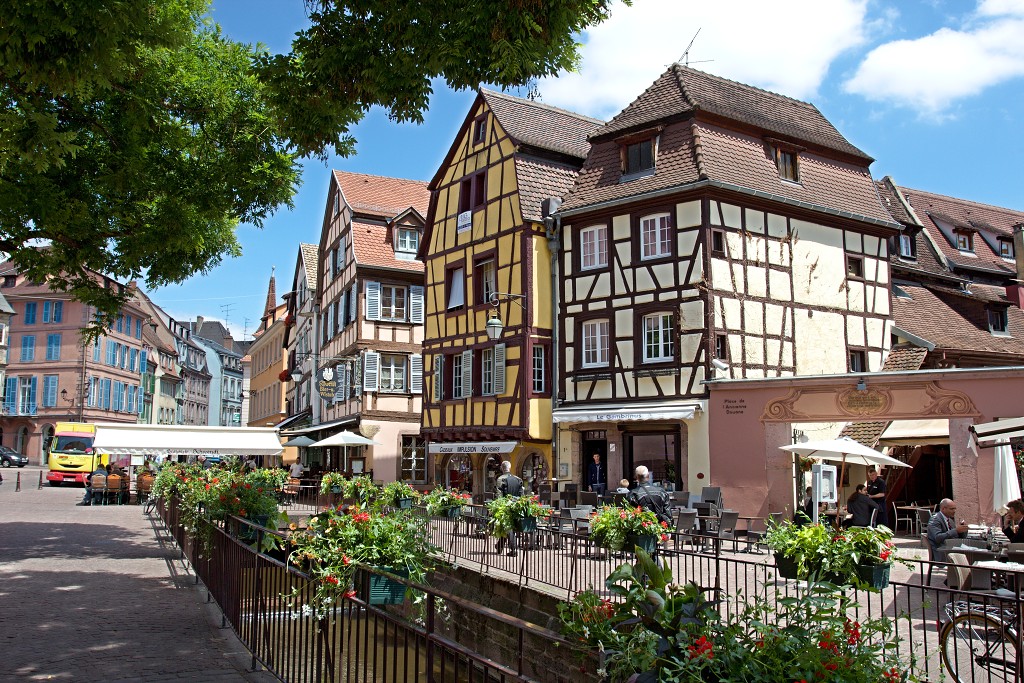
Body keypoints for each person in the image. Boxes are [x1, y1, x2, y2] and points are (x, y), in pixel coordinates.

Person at [495, 460, 524, 556]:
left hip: (506, 506)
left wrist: (498, 507)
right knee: (508, 527)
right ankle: (499, 546)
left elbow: (499, 495)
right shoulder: (518, 479)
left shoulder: (501, 479)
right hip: (516, 506)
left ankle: (513, 549)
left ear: (502, 468)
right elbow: (522, 494)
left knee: (508, 527)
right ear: (510, 468)